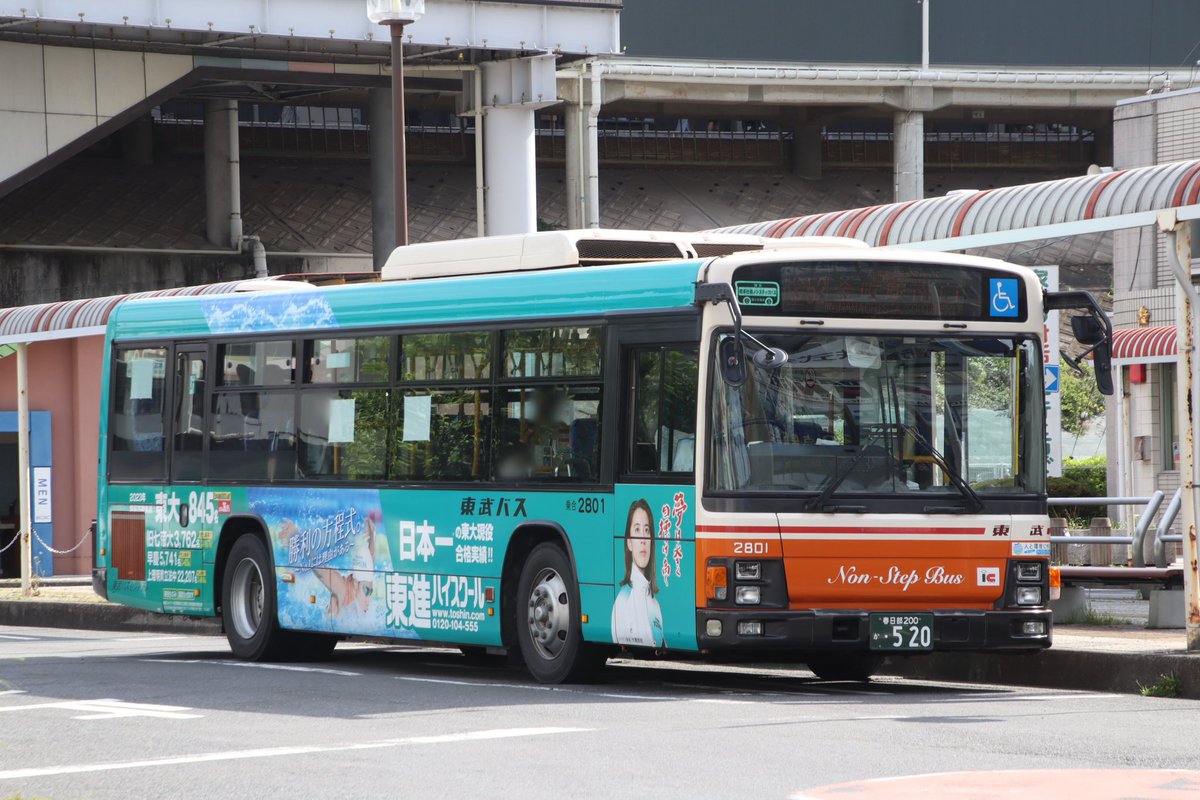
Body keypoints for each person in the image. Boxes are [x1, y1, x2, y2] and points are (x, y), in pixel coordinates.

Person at [611, 499, 665, 647]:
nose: (642, 539)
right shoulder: (622, 602)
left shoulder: (655, 604)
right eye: (637, 530)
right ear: (629, 543)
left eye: (647, 531)